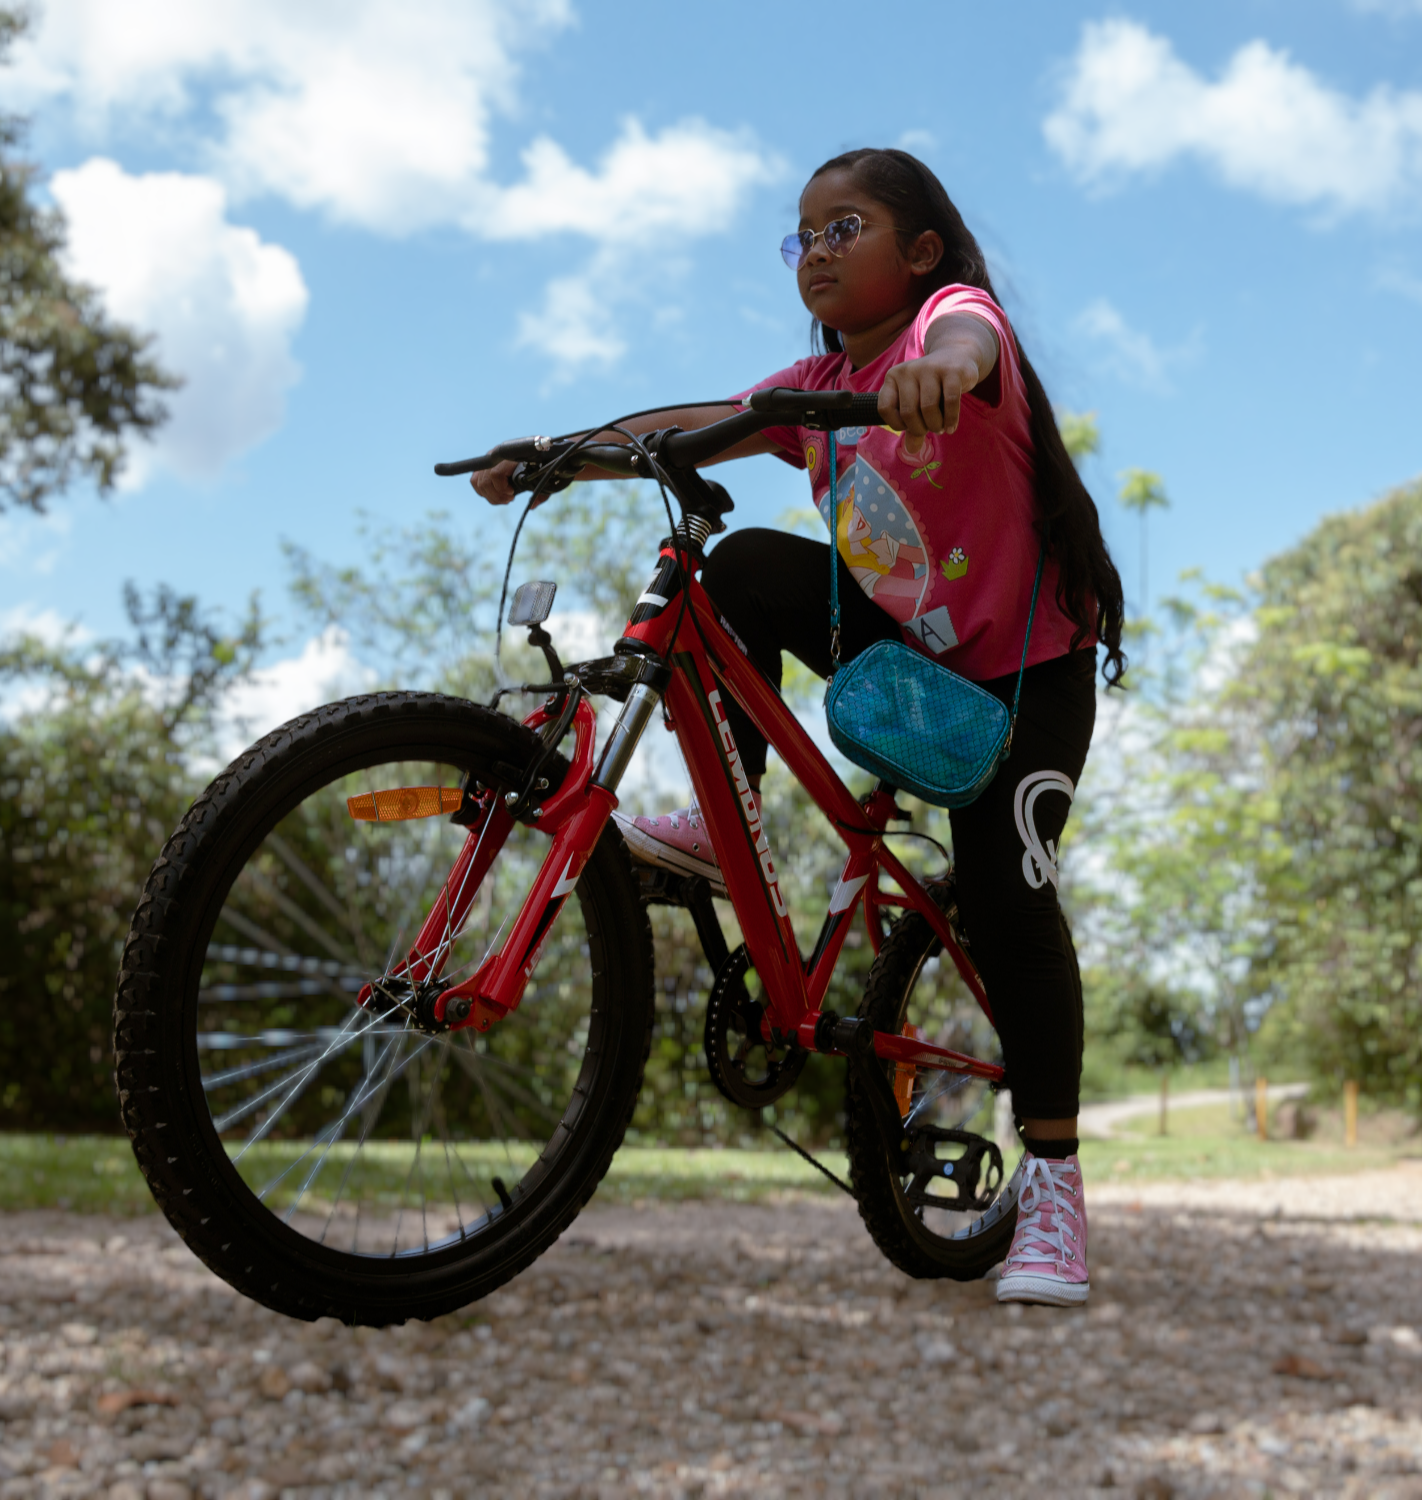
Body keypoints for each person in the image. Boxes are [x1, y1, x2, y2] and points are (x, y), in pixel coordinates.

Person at [473, 147, 1127, 1306]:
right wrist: (562, 454)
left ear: (916, 253)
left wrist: (940, 374)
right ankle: (730, 815)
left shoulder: (948, 321)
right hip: (909, 655)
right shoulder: (811, 384)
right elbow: (706, 419)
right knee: (743, 569)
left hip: (1027, 679)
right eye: (803, 237)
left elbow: (970, 343)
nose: (815, 252)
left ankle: (1055, 1193)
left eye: (844, 228)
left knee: (1008, 898)